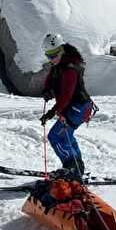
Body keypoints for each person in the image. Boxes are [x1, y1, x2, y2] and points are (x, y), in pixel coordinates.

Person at [40, 33, 96, 178]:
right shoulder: (59, 65)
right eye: (48, 55)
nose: (51, 59)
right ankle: (77, 167)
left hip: (79, 108)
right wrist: (47, 91)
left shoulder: (70, 68)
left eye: (53, 55)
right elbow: (52, 78)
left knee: (55, 136)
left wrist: (52, 112)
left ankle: (71, 167)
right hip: (74, 107)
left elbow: (67, 95)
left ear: (62, 51)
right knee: (66, 136)